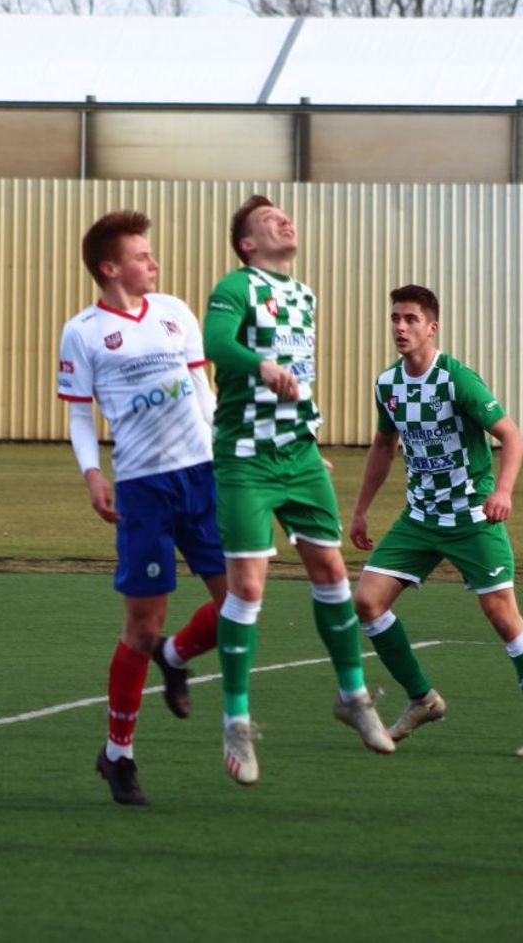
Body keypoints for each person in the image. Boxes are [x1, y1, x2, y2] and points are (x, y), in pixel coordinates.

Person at [204, 195, 393, 787]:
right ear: (247, 244)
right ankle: (235, 721)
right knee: (248, 586)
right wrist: (259, 366)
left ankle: (352, 696)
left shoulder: (304, 295)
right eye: (269, 220)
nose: (284, 221)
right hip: (245, 457)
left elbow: (300, 374)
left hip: (301, 455)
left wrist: (308, 438)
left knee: (333, 573)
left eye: (284, 216)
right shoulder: (236, 287)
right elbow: (215, 343)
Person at [348, 284, 523, 758]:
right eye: (395, 318)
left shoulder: (457, 379)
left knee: (503, 616)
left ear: (432, 327)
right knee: (366, 602)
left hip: (471, 516)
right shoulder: (388, 385)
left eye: (410, 319)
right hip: (420, 518)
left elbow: (511, 436)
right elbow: (383, 447)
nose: (400, 327)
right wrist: (362, 509)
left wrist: (502, 491)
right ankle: (423, 699)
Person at [58, 210, 226, 806]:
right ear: (110, 268)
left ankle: (175, 656)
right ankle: (118, 755)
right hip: (143, 489)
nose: (153, 262)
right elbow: (80, 414)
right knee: (141, 627)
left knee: (241, 603)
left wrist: (230, 454)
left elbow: (204, 393)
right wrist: (92, 474)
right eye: (141, 255)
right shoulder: (82, 332)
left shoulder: (176, 312)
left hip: (203, 478)